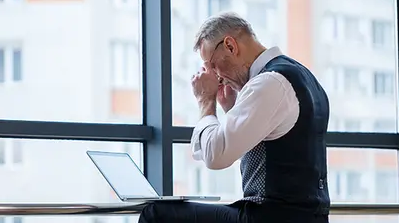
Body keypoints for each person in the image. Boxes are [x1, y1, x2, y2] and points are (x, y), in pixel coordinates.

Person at [138, 12, 330, 223]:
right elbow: (274, 147)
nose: (215, 75)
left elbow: (215, 156)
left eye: (211, 64)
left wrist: (205, 101)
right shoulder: (303, 77)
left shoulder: (269, 83)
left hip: (269, 216)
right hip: (308, 217)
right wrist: (231, 108)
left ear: (230, 46)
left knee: (156, 215)